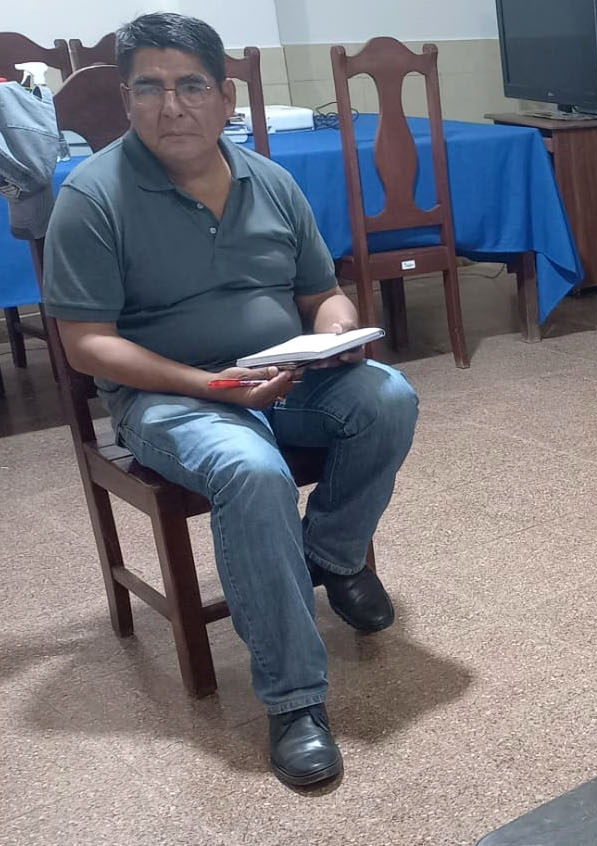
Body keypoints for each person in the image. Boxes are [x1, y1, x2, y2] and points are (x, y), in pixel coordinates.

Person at [42, 13, 419, 788]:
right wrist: (208, 385)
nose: (171, 106)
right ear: (126, 97)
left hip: (284, 377)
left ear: (224, 98)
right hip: (168, 396)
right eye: (149, 87)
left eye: (191, 86)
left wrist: (336, 330)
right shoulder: (92, 195)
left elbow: (321, 292)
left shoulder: (269, 182)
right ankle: (295, 701)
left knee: (388, 397)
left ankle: (330, 555)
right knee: (250, 471)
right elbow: (87, 344)